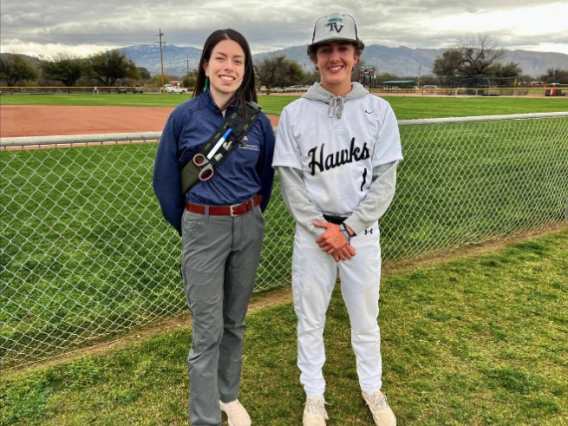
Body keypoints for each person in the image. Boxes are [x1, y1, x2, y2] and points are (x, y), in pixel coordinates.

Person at [272, 13, 402, 426]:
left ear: (356, 54)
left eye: (342, 48)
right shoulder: (294, 113)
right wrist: (325, 230)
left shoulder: (379, 110)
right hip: (314, 234)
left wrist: (347, 229)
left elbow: (385, 181)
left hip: (359, 232)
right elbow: (291, 182)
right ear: (313, 57)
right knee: (310, 318)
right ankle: (314, 394)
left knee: (366, 317)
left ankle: (372, 388)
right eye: (325, 49)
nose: (334, 57)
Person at [153, 28, 275, 426]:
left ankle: (228, 395)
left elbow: (264, 179)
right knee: (207, 330)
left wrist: (248, 216)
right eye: (220, 58)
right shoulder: (183, 116)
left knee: (234, 322)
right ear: (205, 65)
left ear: (246, 69)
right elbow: (166, 183)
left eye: (237, 60)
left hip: (248, 226)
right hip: (203, 229)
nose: (229, 67)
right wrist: (194, 225)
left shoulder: (256, 121)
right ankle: (204, 418)